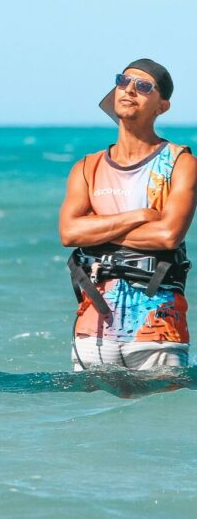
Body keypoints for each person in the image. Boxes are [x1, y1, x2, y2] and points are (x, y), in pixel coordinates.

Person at [59, 58, 197, 371]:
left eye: (144, 86)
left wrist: (95, 229)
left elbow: (167, 236)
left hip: (157, 323)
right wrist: (141, 215)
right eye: (124, 81)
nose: (130, 90)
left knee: (159, 417)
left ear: (162, 106)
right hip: (93, 323)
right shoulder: (86, 168)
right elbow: (69, 233)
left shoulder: (181, 163)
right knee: (91, 417)